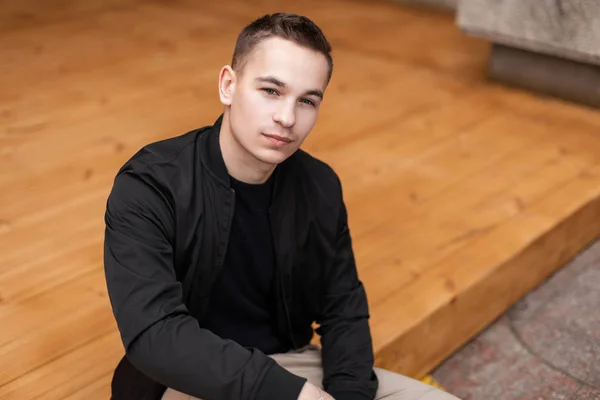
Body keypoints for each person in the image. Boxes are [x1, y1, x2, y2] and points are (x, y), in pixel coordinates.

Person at [103, 12, 461, 400]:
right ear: (228, 85)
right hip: (187, 376)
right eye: (271, 91)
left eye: (306, 101)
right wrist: (293, 395)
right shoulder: (151, 185)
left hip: (290, 365)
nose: (287, 118)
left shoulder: (320, 186)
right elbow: (156, 335)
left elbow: (343, 310)